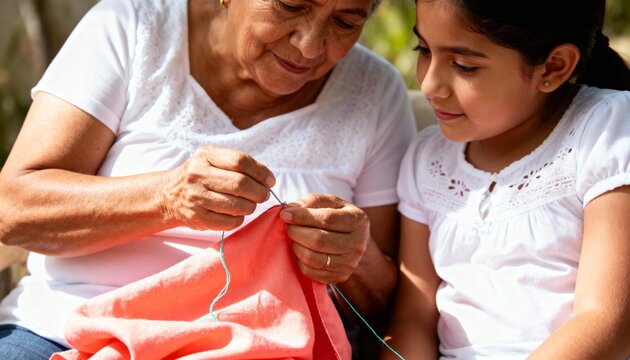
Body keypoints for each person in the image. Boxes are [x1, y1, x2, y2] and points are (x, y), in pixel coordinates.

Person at [0, 0, 416, 358]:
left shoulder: (374, 92)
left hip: (263, 349)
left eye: (345, 22)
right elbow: (12, 207)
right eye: (291, 5)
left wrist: (352, 259)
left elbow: (392, 308)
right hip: (62, 333)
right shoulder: (132, 26)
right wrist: (167, 198)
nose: (309, 44)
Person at [384, 0, 630, 359]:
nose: (431, 84)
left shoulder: (607, 130)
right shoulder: (427, 158)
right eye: (423, 49)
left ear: (554, 66)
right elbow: (413, 316)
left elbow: (608, 320)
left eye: (464, 66)